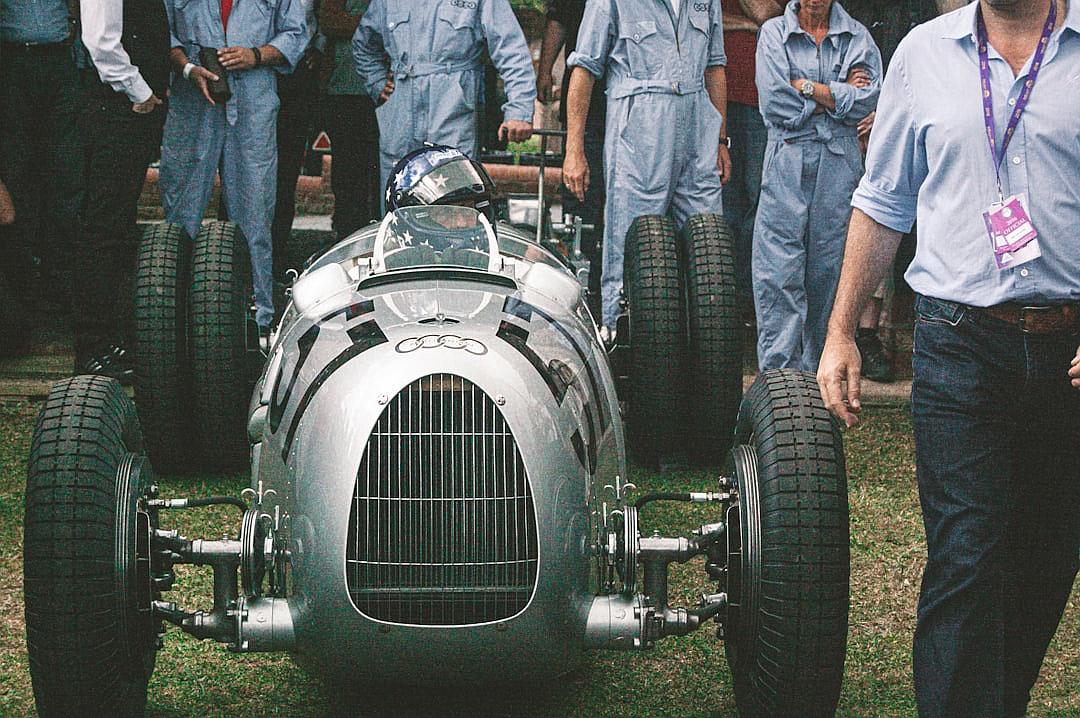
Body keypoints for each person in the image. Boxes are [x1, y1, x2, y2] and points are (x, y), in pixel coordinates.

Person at [817, 1, 1079, 716]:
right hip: (961, 342)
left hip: (1069, 353)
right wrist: (842, 330)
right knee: (966, 555)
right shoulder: (924, 55)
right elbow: (884, 199)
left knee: (1048, 555)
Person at [563, 0, 734, 332]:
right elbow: (583, 70)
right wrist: (574, 149)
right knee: (632, 236)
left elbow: (714, 67)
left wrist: (720, 139)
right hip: (639, 124)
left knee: (708, 239)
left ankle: (705, 344)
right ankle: (619, 333)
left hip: (697, 124)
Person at [161, 0, 307, 331]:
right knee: (181, 209)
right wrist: (187, 67)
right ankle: (174, 316)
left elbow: (297, 33)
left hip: (253, 96)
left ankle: (256, 318)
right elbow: (162, 33)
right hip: (194, 95)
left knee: (255, 210)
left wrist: (255, 55)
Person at [752, 0, 881, 373]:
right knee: (779, 273)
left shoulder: (857, 36)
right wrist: (837, 93)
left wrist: (805, 87)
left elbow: (868, 101)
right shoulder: (774, 33)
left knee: (830, 271)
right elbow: (776, 103)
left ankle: (819, 384)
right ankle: (778, 384)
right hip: (787, 160)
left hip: (839, 163)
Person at [841, 0, 939, 382]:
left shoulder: (920, 9)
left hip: (904, 126)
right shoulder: (850, 9)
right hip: (844, 131)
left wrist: (890, 115)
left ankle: (877, 335)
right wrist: (857, 108)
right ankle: (851, 333)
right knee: (862, 225)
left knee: (901, 234)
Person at [73, 0, 170, 381]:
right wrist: (139, 90)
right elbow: (100, 40)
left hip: (126, 107)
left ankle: (110, 340)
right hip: (114, 108)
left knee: (114, 225)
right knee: (103, 227)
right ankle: (94, 348)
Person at [352, 0, 536, 194]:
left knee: (455, 195)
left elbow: (511, 49)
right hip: (401, 110)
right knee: (398, 195)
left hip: (453, 107)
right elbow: (363, 43)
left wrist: (519, 110)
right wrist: (377, 82)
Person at [0, 0, 83, 305]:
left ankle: (59, 282)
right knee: (16, 172)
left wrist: (73, 22)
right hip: (11, 64)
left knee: (66, 171)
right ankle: (20, 286)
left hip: (59, 62)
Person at [536, 0, 608, 315]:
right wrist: (545, 71)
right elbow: (559, 19)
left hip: (635, 101)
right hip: (586, 101)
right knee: (581, 206)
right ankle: (580, 299)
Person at [720, 0, 784, 321]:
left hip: (762, 98)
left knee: (762, 199)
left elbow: (768, 14)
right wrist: (745, 24)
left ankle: (748, 292)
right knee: (726, 202)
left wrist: (743, 20)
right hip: (719, 97)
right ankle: (726, 296)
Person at [270, 0, 324, 282]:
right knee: (242, 172)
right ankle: (232, 255)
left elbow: (318, 19)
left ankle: (277, 255)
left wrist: (317, 48)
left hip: (297, 74)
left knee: (286, 171)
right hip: (258, 68)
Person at [319, 0, 381, 239]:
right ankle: (347, 236)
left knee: (384, 172)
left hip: (390, 91)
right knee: (348, 174)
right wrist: (378, 24)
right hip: (345, 89)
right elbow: (329, 21)